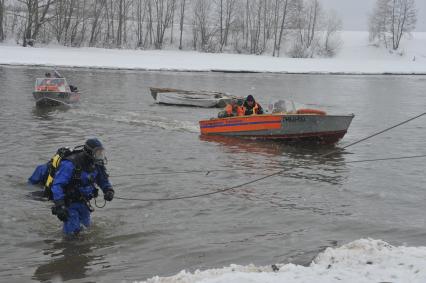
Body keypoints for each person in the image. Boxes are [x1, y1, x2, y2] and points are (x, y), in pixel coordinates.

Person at [30, 138, 114, 235]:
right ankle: (68, 246)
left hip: (84, 203)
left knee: (86, 230)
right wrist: (60, 205)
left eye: (101, 152)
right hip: (69, 203)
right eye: (97, 153)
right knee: (72, 235)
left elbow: (103, 179)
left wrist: (108, 190)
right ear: (89, 152)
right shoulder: (70, 164)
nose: (100, 156)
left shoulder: (96, 164)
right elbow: (57, 185)